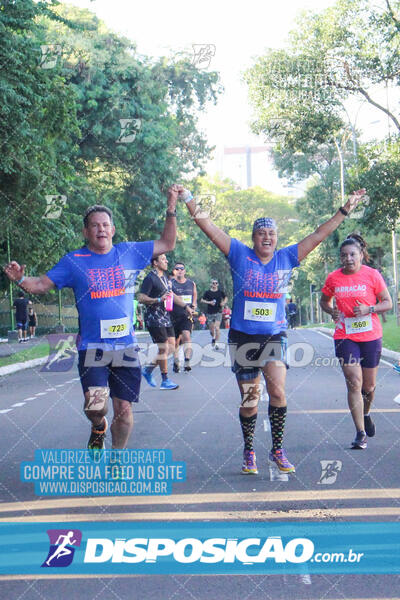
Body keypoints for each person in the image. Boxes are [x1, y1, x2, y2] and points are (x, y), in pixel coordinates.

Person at [181, 187, 366, 474]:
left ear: (277, 238)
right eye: (261, 233)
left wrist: (344, 210)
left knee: (278, 392)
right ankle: (249, 450)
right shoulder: (238, 254)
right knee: (251, 399)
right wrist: (189, 199)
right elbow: (208, 225)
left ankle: (278, 449)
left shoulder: (286, 258)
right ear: (253, 238)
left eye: (272, 234)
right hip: (243, 336)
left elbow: (318, 235)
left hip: (274, 335)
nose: (267, 238)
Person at [4, 184, 182, 450]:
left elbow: (167, 243)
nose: (101, 229)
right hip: (93, 347)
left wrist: (171, 206)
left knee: (124, 409)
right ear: (86, 231)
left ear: (112, 229)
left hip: (125, 347)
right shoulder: (74, 261)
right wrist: (20, 280)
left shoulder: (129, 252)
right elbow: (40, 284)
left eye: (105, 224)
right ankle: (99, 426)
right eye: (95, 225)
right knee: (95, 406)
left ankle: (117, 457)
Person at [320, 233, 392, 449]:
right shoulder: (333, 278)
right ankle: (360, 433)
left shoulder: (372, 275)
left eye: (352, 254)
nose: (348, 258)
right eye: (344, 255)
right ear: (340, 258)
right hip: (345, 336)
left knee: (368, 386)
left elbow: (387, 302)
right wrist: (331, 311)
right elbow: (324, 300)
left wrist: (369, 309)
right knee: (354, 382)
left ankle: (366, 412)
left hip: (370, 336)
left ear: (361, 255)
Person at [139, 254, 194, 388]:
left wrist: (185, 306)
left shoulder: (164, 277)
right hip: (154, 318)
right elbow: (141, 298)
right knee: (163, 348)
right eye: (163, 259)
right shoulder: (150, 278)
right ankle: (165, 380)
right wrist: (158, 300)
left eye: (166, 259)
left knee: (170, 348)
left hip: (165, 316)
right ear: (155, 263)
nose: (166, 261)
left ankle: (148, 370)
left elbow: (172, 295)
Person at [170, 261, 197, 373]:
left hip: (187, 315)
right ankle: (176, 361)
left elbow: (194, 294)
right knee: (176, 341)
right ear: (174, 271)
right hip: (173, 315)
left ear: (185, 271)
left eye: (181, 268)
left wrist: (194, 304)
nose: (179, 270)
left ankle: (187, 361)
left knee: (186, 336)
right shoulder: (170, 283)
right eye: (177, 269)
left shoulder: (191, 283)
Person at [200, 279, 227, 350]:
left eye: (216, 283)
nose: (214, 284)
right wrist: (209, 302)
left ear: (217, 284)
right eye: (213, 283)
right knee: (212, 330)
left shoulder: (220, 292)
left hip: (218, 312)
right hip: (210, 313)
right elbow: (202, 300)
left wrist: (223, 303)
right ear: (211, 284)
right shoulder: (207, 292)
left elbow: (226, 297)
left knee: (217, 328)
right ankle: (213, 337)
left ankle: (216, 342)